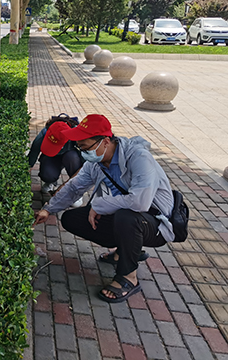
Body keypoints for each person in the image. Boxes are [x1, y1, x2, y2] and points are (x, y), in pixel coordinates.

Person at [33, 114, 174, 303]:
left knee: (126, 217)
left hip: (156, 222)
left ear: (105, 141)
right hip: (129, 216)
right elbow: (75, 187)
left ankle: (128, 277)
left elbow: (140, 203)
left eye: (85, 147)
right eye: (79, 147)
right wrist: (49, 209)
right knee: (71, 219)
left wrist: (99, 205)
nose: (83, 153)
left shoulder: (139, 157)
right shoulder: (96, 162)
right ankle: (124, 250)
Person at [28, 114, 84, 194]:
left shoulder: (76, 135)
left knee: (73, 158)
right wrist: (27, 168)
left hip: (69, 155)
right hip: (52, 155)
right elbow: (33, 153)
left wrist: (67, 185)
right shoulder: (45, 132)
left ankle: (76, 190)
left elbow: (85, 165)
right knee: (47, 175)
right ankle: (50, 182)